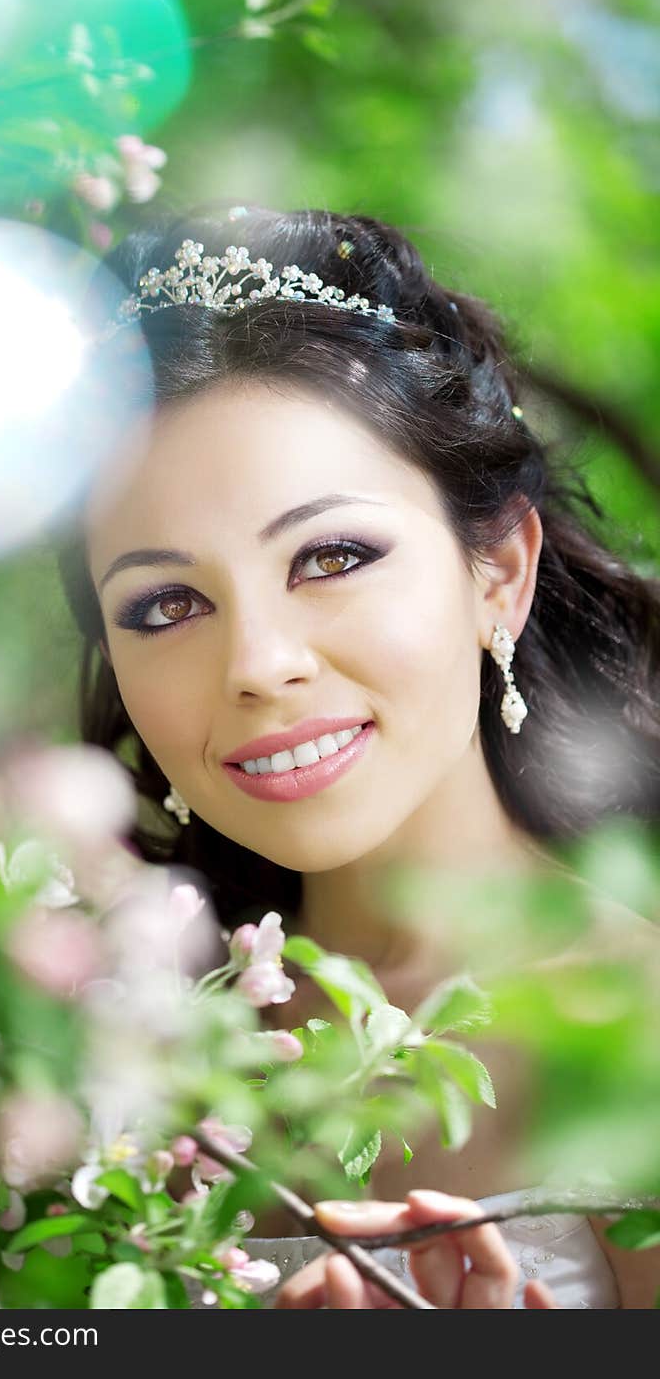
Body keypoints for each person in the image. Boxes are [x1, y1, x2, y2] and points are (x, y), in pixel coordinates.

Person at [58, 204, 660, 1308]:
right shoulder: (85, 1074)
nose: (258, 663)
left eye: (331, 555)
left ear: (498, 573)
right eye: (166, 603)